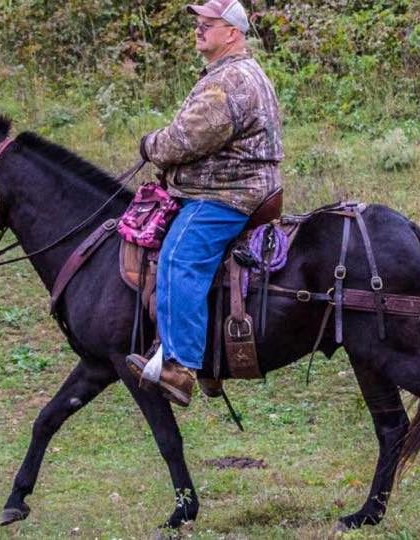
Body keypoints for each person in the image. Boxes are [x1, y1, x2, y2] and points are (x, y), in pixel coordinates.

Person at [126, 0, 284, 406]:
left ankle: (180, 367)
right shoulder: (236, 73)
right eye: (197, 24)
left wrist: (150, 144)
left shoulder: (228, 82)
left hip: (228, 192)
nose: (198, 30)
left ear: (231, 32)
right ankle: (214, 359)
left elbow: (184, 139)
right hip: (234, 185)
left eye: (207, 24)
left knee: (179, 254)